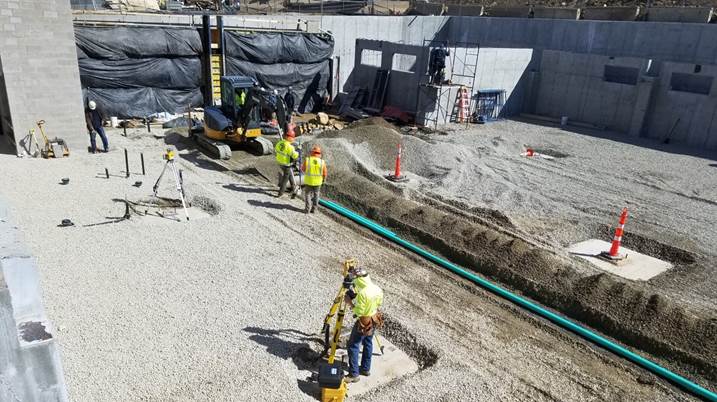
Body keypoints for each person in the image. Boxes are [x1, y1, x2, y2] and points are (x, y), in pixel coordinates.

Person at [344, 265, 384, 384]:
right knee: (368, 342)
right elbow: (378, 303)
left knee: (353, 345)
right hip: (374, 319)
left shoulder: (363, 294)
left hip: (364, 321)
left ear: (359, 279)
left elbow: (358, 312)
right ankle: (366, 369)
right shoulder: (377, 289)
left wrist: (349, 302)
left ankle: (354, 374)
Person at [301, 144, 327, 214]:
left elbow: (303, 169)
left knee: (308, 195)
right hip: (318, 182)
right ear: (319, 154)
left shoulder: (308, 160)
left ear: (312, 152)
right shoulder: (322, 162)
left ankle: (307, 210)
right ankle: (314, 209)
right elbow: (325, 173)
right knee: (316, 195)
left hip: (309, 181)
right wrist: (324, 179)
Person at [275, 129, 300, 198]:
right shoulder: (290, 147)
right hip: (286, 164)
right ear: (289, 137)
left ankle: (294, 187)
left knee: (289, 175)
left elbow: (276, 150)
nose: (293, 140)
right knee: (285, 180)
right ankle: (280, 193)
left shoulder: (280, 143)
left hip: (280, 163)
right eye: (293, 138)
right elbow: (295, 156)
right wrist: (298, 151)